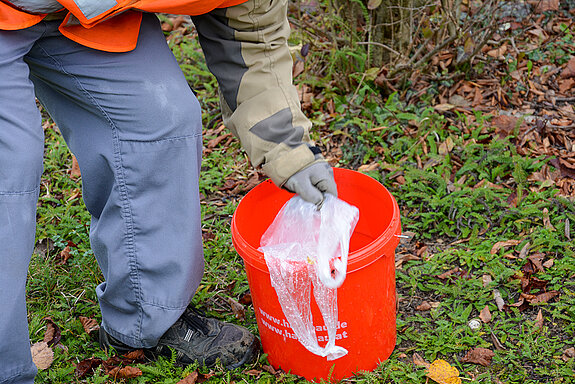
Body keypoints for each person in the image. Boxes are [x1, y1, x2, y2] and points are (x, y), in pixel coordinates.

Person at [0, 0, 338, 383]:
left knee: (161, 117)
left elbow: (252, 34)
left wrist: (289, 151)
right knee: (8, 169)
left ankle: (144, 317)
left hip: (80, 14)